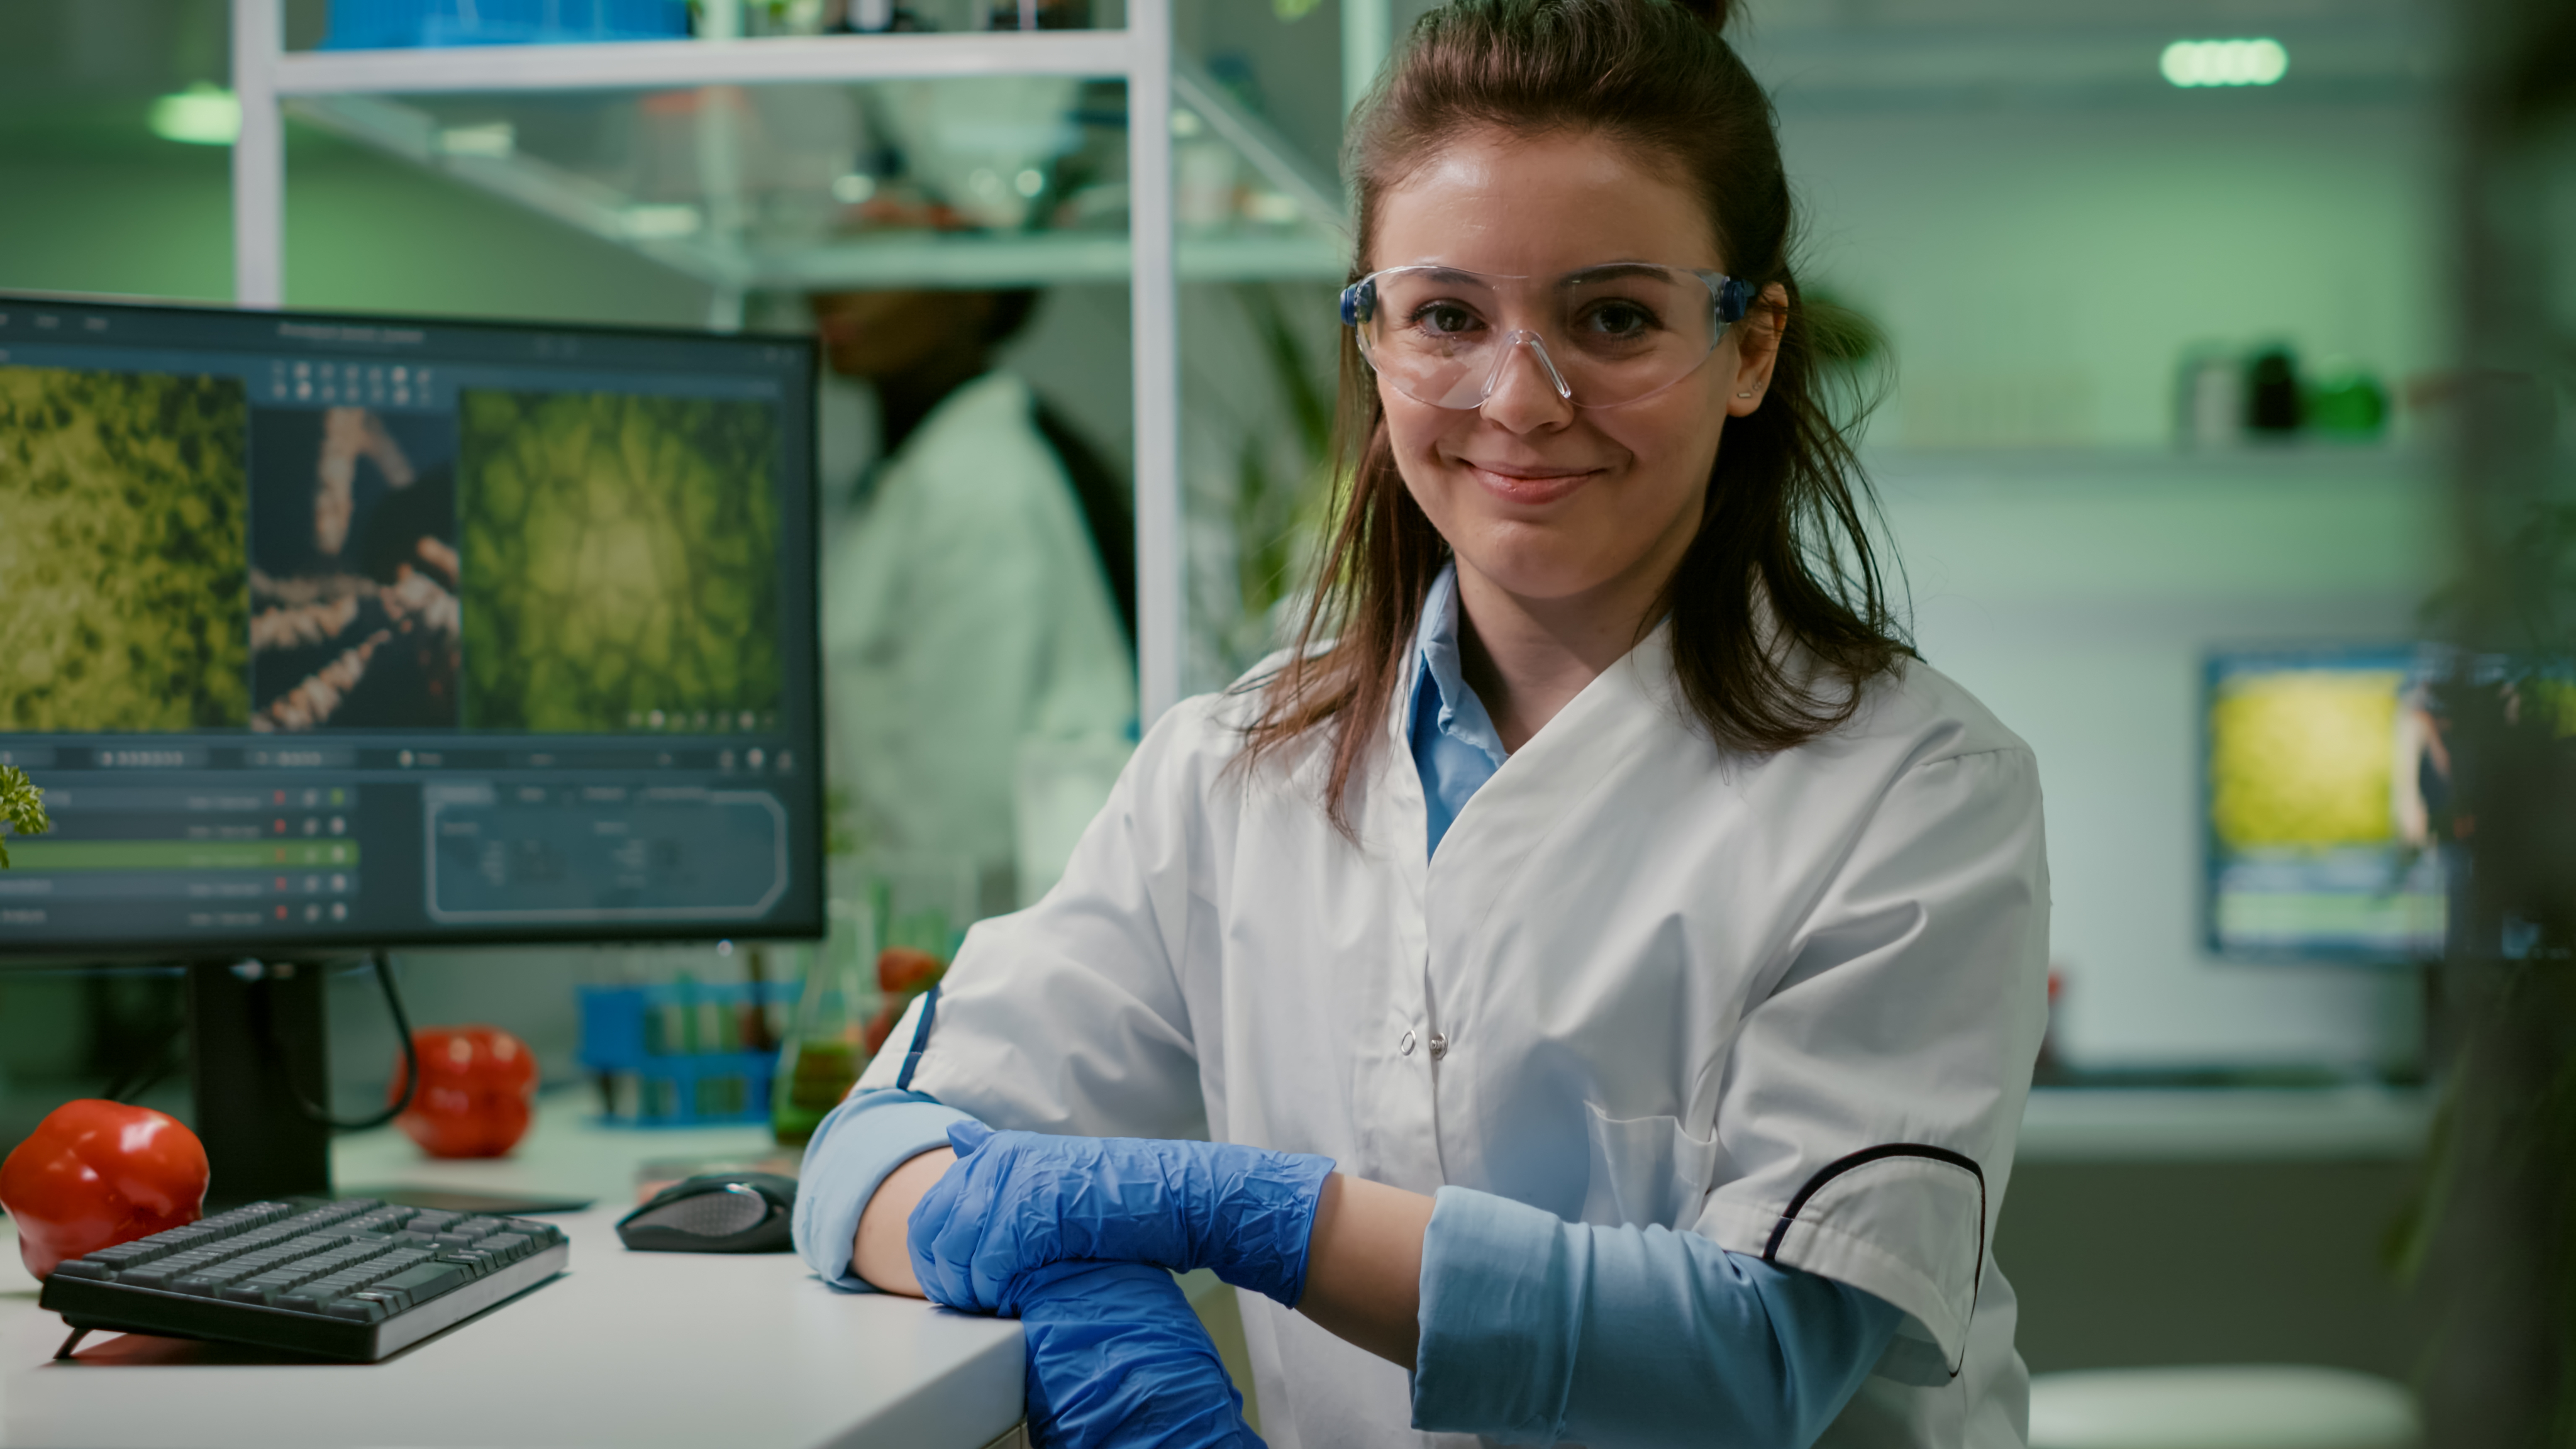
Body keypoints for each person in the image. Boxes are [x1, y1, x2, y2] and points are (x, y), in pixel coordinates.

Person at [792, 1, 2050, 1445]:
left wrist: (1252, 1216)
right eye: (1447, 317)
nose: (1518, 400)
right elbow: (869, 1156)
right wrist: (1076, 1290)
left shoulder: (1913, 790)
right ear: (1374, 338)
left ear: (1751, 345)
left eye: (1614, 318)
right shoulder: (1228, 772)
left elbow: (1756, 1357)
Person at [814, 283, 1138, 913]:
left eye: (879, 249)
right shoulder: (932, 468)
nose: (831, 289)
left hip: (970, 925)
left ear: (976, 293)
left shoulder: (977, 482)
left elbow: (963, 820)